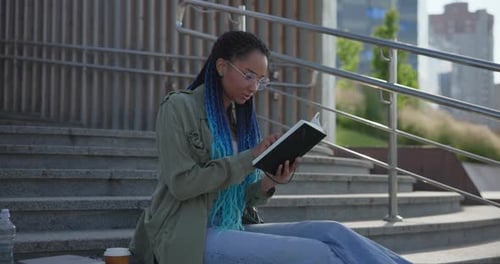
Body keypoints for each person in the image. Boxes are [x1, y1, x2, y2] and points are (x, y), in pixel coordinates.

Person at [129, 31, 411, 264]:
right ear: (221, 66)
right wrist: (249, 159)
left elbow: (240, 198)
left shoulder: (239, 122)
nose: (254, 86)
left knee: (333, 232)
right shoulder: (179, 107)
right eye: (248, 75)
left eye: (260, 80)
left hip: (233, 226)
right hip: (190, 234)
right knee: (320, 255)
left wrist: (268, 182)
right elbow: (182, 184)